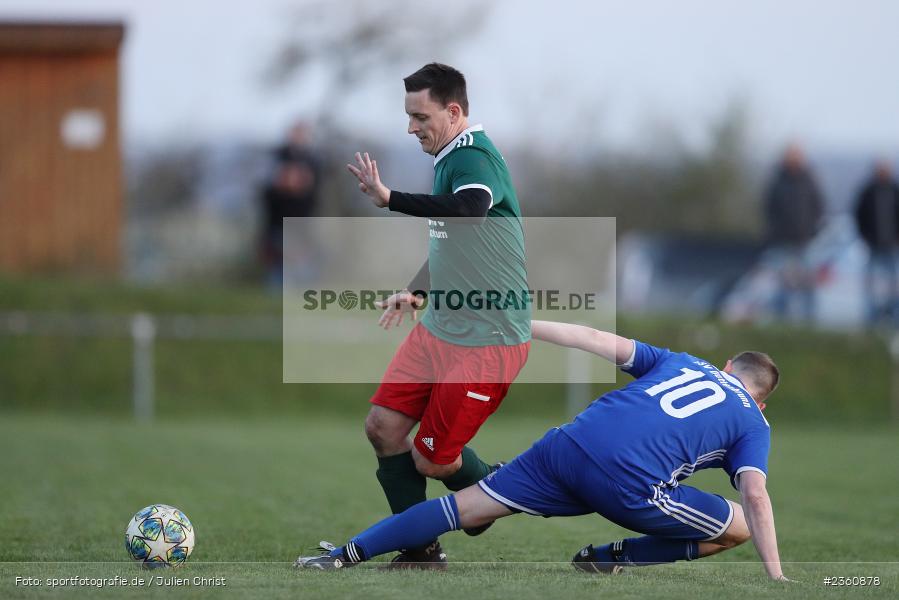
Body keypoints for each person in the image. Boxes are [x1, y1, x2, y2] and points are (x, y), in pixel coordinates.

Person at [296, 320, 790, 581]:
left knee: (459, 509)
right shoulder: (753, 420)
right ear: (763, 398)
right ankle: (611, 557)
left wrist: (522, 324)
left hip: (566, 445)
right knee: (740, 525)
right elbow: (756, 495)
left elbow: (595, 338)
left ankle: (344, 555)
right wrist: (776, 575)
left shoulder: (682, 361)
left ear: (727, 365)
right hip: (626, 484)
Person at [343, 63, 531, 567]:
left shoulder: (473, 158)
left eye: (419, 116)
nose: (410, 128)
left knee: (432, 460)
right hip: (443, 327)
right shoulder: (448, 155)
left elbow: (468, 209)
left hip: (489, 339)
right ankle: (420, 549)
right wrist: (417, 293)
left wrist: (389, 199)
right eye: (408, 116)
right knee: (383, 427)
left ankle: (498, 488)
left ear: (453, 111)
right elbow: (457, 239)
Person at [763, 143, 825, 323]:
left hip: (805, 240)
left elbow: (818, 207)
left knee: (807, 283)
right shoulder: (777, 180)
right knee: (782, 284)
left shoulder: (809, 181)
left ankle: (809, 321)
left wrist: (812, 230)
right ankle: (781, 319)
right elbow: (769, 207)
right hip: (782, 241)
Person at [259, 122, 321, 288]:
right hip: (277, 223)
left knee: (302, 266)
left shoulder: (312, 160)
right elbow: (267, 189)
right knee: (278, 269)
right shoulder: (276, 157)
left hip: (301, 223)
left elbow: (313, 190)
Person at [854, 160, 899, 326]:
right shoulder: (868, 191)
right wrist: (866, 236)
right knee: (870, 285)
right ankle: (871, 318)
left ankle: (894, 317)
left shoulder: (895, 190)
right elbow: (859, 215)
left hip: (892, 246)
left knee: (894, 284)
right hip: (873, 244)